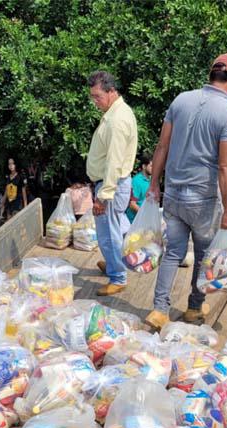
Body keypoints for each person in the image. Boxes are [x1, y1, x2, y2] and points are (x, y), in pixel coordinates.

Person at [144, 53, 227, 329]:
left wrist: (154, 186)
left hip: (173, 193)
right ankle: (193, 309)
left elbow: (162, 146)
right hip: (203, 200)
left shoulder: (181, 99)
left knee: (172, 253)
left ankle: (159, 311)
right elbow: (226, 166)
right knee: (203, 256)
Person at [84, 70, 138, 296]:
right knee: (111, 230)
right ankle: (114, 264)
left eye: (98, 96)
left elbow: (115, 162)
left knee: (109, 233)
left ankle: (118, 277)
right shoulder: (116, 112)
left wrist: (103, 196)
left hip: (111, 187)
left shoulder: (117, 120)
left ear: (111, 91)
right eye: (93, 97)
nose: (95, 102)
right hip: (112, 185)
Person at [126, 155, 152, 222]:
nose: (154, 168)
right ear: (144, 166)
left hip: (145, 220)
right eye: (151, 166)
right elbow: (132, 204)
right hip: (135, 222)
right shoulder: (136, 181)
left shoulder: (151, 180)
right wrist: (146, 216)